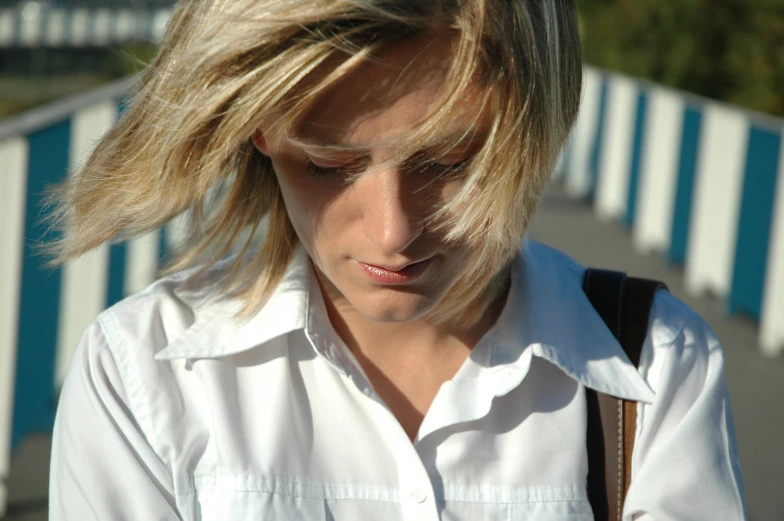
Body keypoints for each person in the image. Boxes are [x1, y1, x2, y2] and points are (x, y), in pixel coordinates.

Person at [47, 0, 746, 519]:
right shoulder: (143, 373)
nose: (393, 230)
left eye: (449, 159)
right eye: (327, 163)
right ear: (256, 131)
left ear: (532, 126)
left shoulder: (654, 365)